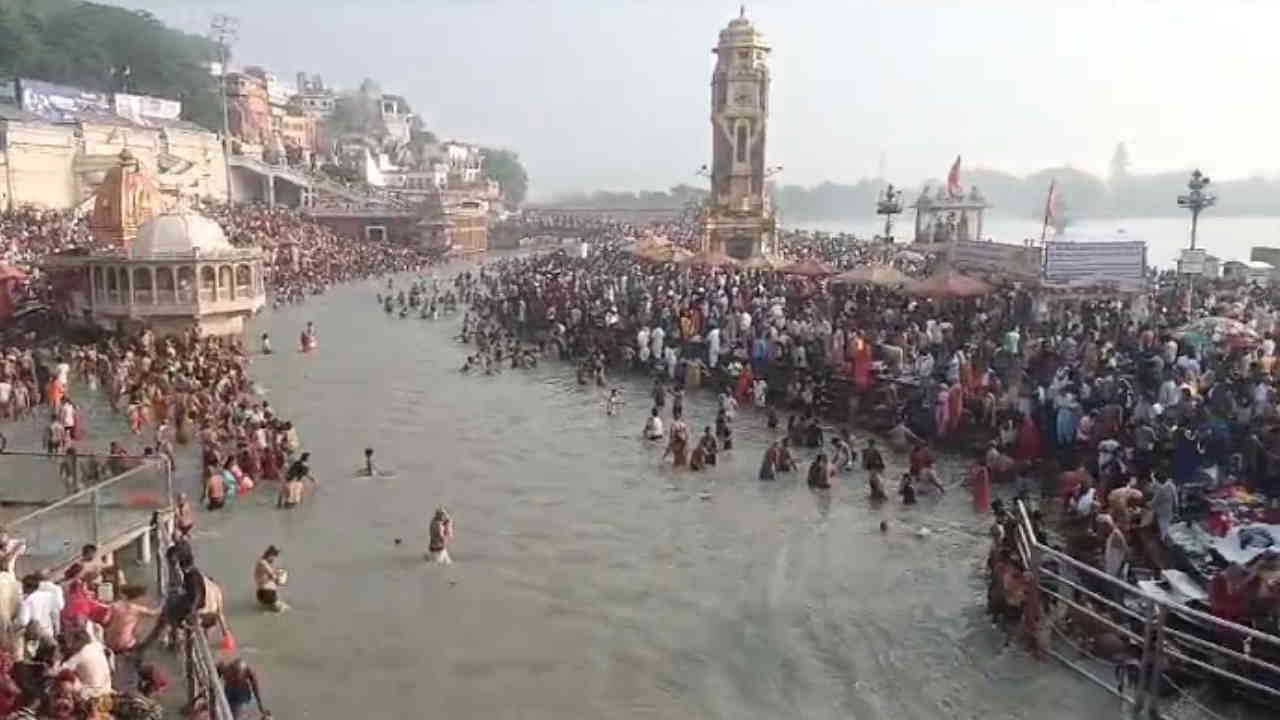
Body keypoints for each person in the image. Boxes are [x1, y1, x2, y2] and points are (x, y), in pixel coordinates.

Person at [104, 585, 159, 654]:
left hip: (110, 642)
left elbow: (105, 620)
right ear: (137, 598)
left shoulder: (114, 605)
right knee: (139, 625)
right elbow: (154, 613)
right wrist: (163, 603)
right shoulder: (136, 609)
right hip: (125, 643)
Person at [254, 546, 288, 612]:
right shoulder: (263, 563)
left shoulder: (262, 563)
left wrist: (277, 573)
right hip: (268, 593)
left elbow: (269, 576)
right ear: (270, 555)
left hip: (263, 593)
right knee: (283, 611)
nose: (275, 558)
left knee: (284, 608)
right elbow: (274, 577)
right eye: (275, 556)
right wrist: (281, 578)